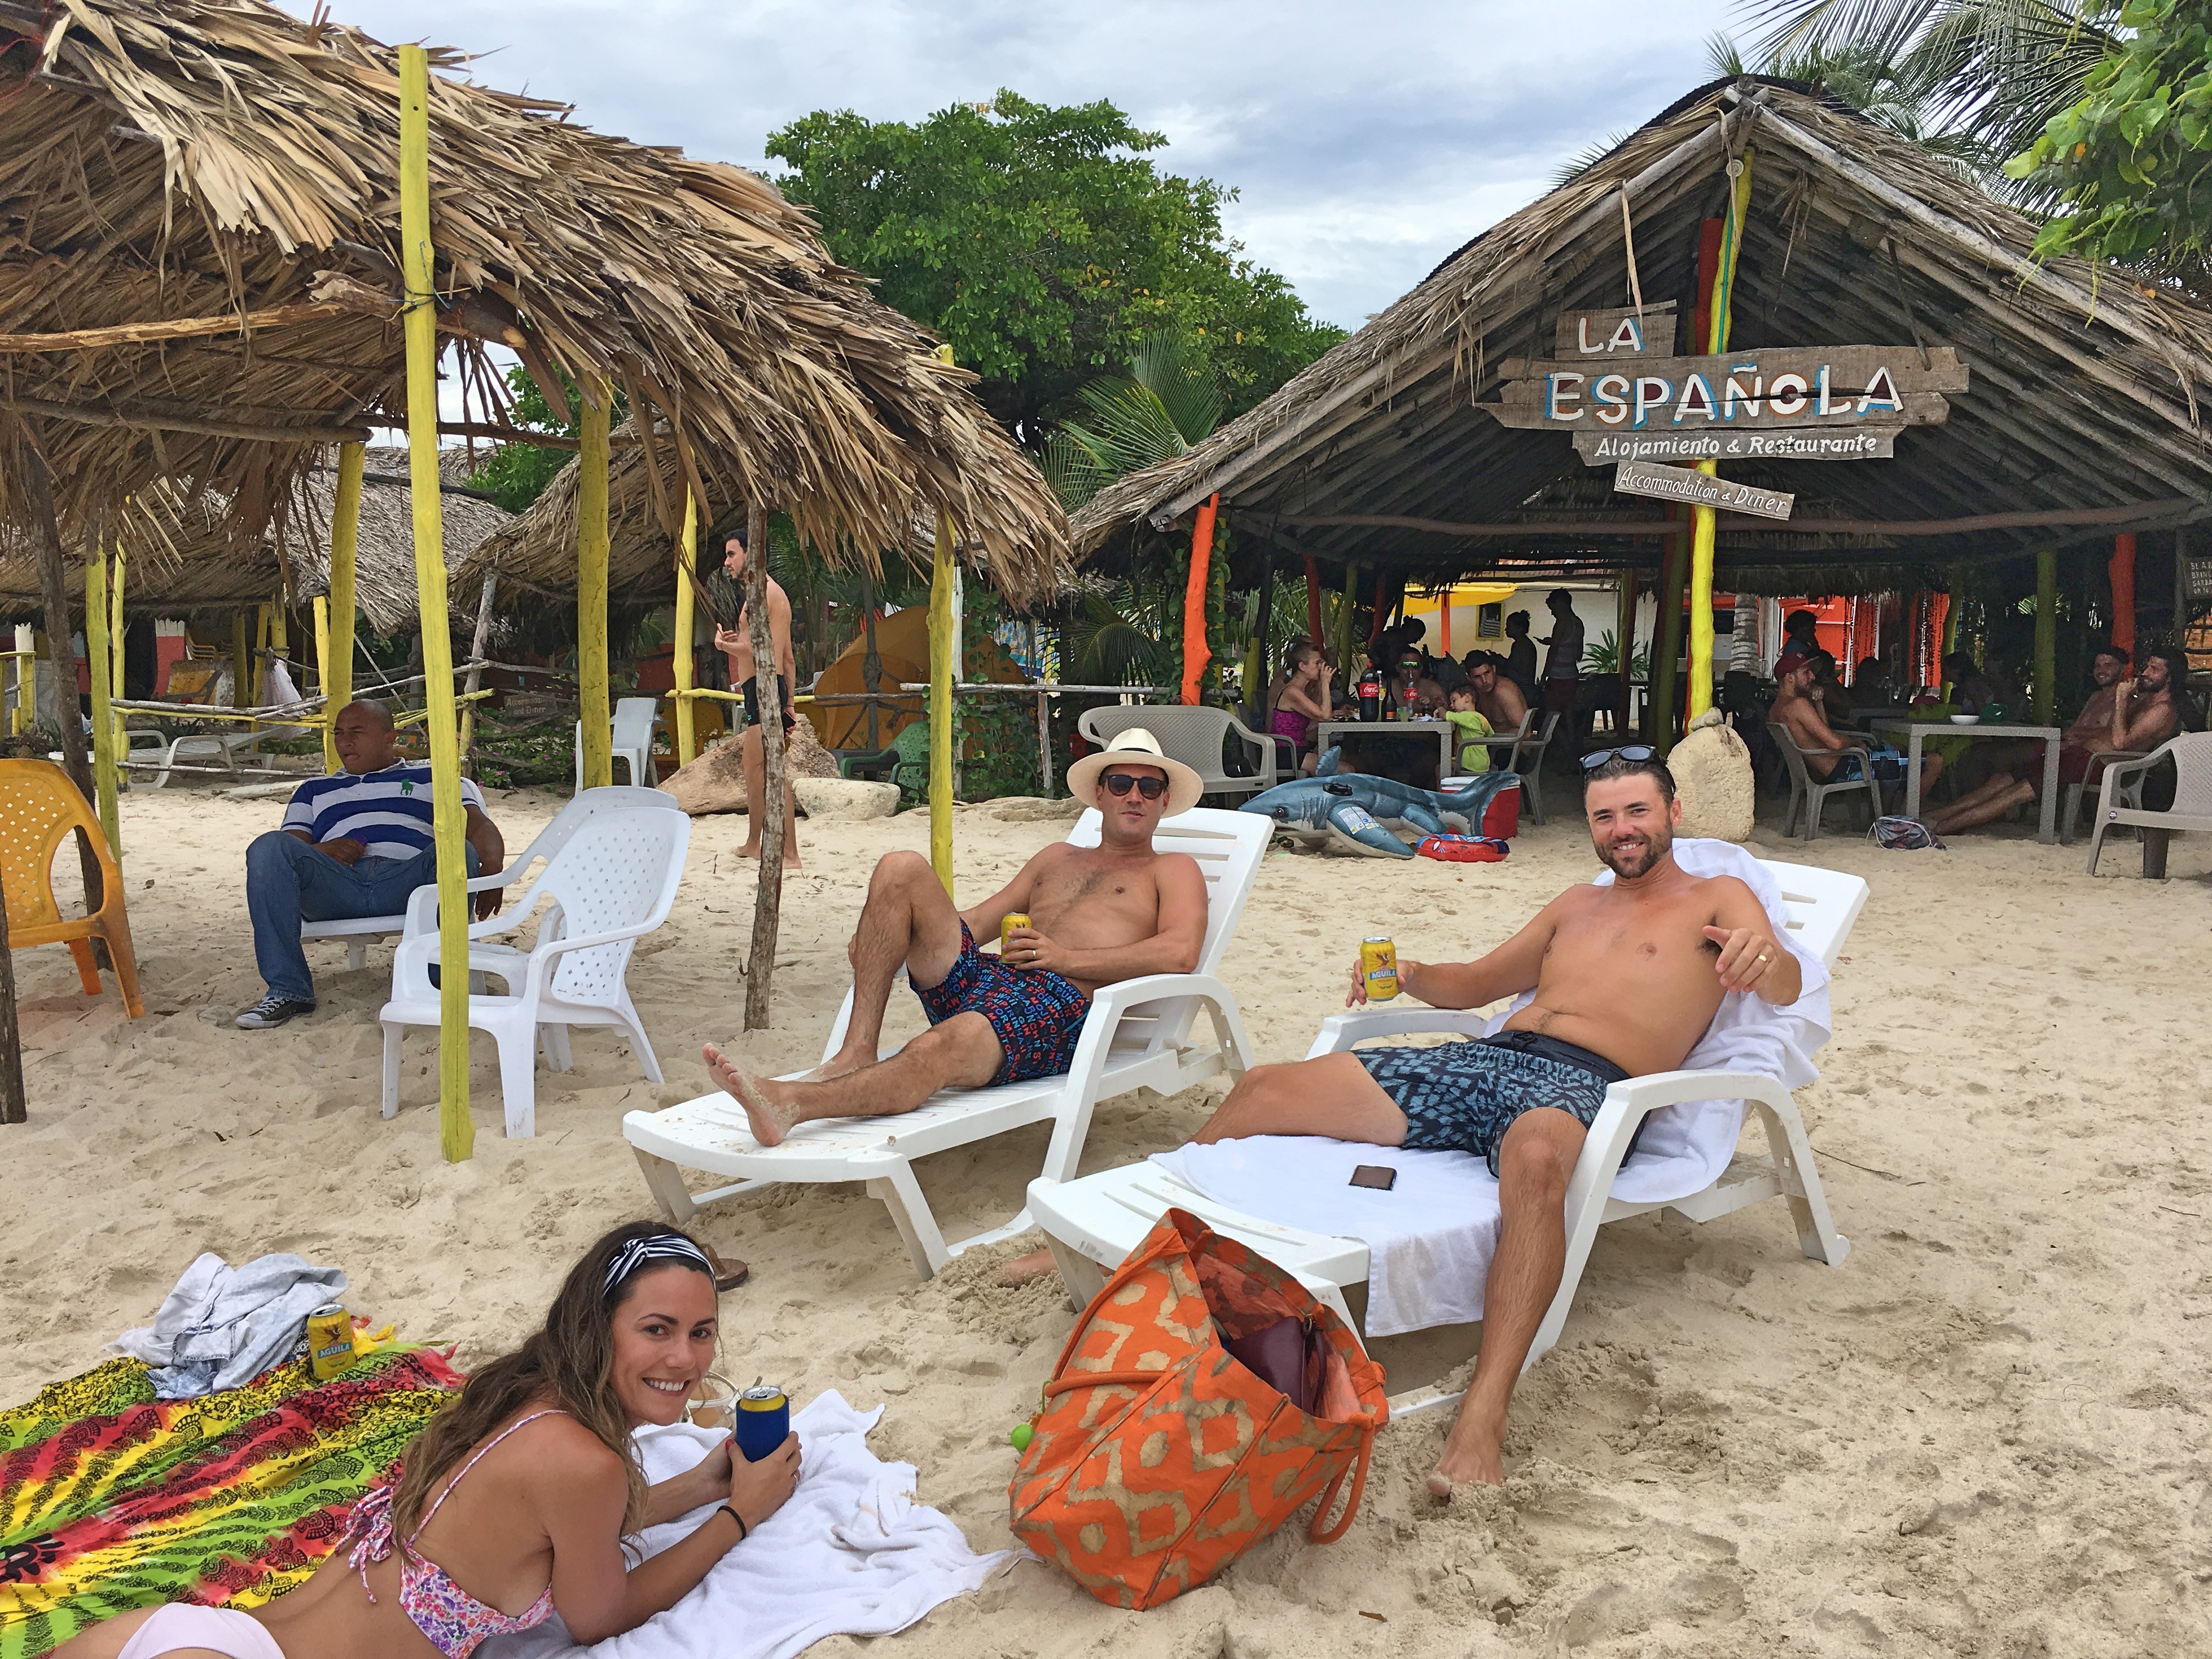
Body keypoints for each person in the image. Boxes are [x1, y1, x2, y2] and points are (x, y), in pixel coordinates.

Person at [1188, 750, 1800, 1490]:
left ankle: (1485, 1409)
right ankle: (1149, 1241)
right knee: (1263, 1089)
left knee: (1538, 1161)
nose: (1622, 829)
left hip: (1586, 1084)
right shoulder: (1576, 904)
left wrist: (1765, 958)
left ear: (1672, 814)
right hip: (1485, 1062)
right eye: (1605, 816)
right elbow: (1478, 983)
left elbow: (1785, 983)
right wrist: (1413, 974)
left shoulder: (1719, 895)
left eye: (1637, 811)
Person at [57, 1221, 801, 1659]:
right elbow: (601, 1614)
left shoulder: (520, 1394)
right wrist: (740, 1517)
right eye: (656, 1330)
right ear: (597, 1328)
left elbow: (556, 1533)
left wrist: (704, 1487)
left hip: (192, 1635)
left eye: (702, 1333)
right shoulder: (586, 1462)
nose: (685, 1359)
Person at [700, 729, 1210, 1147]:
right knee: (901, 868)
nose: (1134, 796)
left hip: (1062, 1009)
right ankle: (859, 1048)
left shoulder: (1173, 869)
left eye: (1149, 787)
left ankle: (790, 1104)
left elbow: (1180, 953)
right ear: (1100, 794)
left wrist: (1064, 956)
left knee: (937, 1048)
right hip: (994, 979)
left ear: (1165, 800)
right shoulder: (1057, 858)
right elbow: (978, 922)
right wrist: (888, 931)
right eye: (1121, 783)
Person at [235, 700, 505, 1030]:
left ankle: (437, 987)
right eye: (339, 734)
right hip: (337, 886)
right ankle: (288, 990)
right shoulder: (313, 790)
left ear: (390, 737)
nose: (345, 742)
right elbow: (289, 850)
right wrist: (325, 849)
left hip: (408, 882)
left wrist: (492, 869)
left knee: (456, 849)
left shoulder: (433, 778)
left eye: (357, 732)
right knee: (267, 846)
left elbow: (476, 825)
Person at [1929, 644, 2184, 835]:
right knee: (2003, 779)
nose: (2146, 672)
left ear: (2169, 677)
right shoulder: (2144, 700)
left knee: (2017, 790)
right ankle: (1930, 818)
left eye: (2155, 669)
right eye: (2148, 666)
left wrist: (2120, 699)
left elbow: (2119, 742)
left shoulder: (2162, 711)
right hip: (2079, 754)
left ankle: (1939, 829)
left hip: (2097, 764)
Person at [713, 529, 801, 872]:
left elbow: (763, 652)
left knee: (772, 772)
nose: (727, 562)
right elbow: (789, 657)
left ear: (751, 554)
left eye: (732, 554)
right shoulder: (757, 596)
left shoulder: (767, 595)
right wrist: (791, 703)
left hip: (766, 688)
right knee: (755, 769)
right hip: (765, 690)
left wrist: (725, 646)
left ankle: (789, 853)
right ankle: (755, 842)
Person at [1769, 651, 1919, 791]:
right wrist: (1856, 742)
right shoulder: (1798, 705)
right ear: (1790, 678)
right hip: (1845, 768)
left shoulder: (1774, 711)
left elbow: (1822, 734)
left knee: (1898, 749)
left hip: (1830, 767)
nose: (1813, 677)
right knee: (1931, 761)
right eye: (1806, 672)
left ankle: (1886, 814)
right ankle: (1904, 814)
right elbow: (1836, 743)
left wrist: (1819, 702)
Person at [1271, 640, 1335, 775]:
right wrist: (1325, 683)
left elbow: (1318, 716)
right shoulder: (1292, 692)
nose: (1320, 667)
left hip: (1298, 749)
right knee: (1347, 770)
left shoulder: (1302, 691)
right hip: (1288, 752)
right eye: (1317, 663)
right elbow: (1324, 715)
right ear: (1302, 666)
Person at [1538, 590, 1584, 724]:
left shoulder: (1562, 622)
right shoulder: (1578, 623)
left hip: (1558, 677)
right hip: (1572, 675)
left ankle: (1556, 742)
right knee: (1569, 713)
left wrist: (1544, 675)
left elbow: (1553, 651)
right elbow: (1579, 655)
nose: (1553, 613)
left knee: (1551, 715)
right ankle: (1570, 741)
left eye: (1553, 608)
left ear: (1560, 603)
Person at [1465, 653, 1531, 742]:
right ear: (1469, 678)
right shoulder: (1477, 692)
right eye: (1477, 677)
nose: (1484, 681)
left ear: (1494, 669)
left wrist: (1491, 739)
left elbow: (1526, 732)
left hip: (1514, 751)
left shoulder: (1503, 691)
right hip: (1494, 747)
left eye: (1487, 673)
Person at [1442, 683, 1494, 775]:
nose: (1451, 706)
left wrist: (1439, 709)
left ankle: (1444, 789)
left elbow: (1445, 715)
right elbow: (1490, 734)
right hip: (1482, 762)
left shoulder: (1467, 716)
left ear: (1467, 698)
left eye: (1454, 701)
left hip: (1470, 764)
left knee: (1441, 767)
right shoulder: (1481, 718)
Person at [1503, 611, 1538, 704]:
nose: (1506, 629)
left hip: (1523, 689)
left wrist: (1503, 662)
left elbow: (1524, 669)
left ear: (1519, 629)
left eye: (1509, 626)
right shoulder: (1521, 644)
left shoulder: (1523, 646)